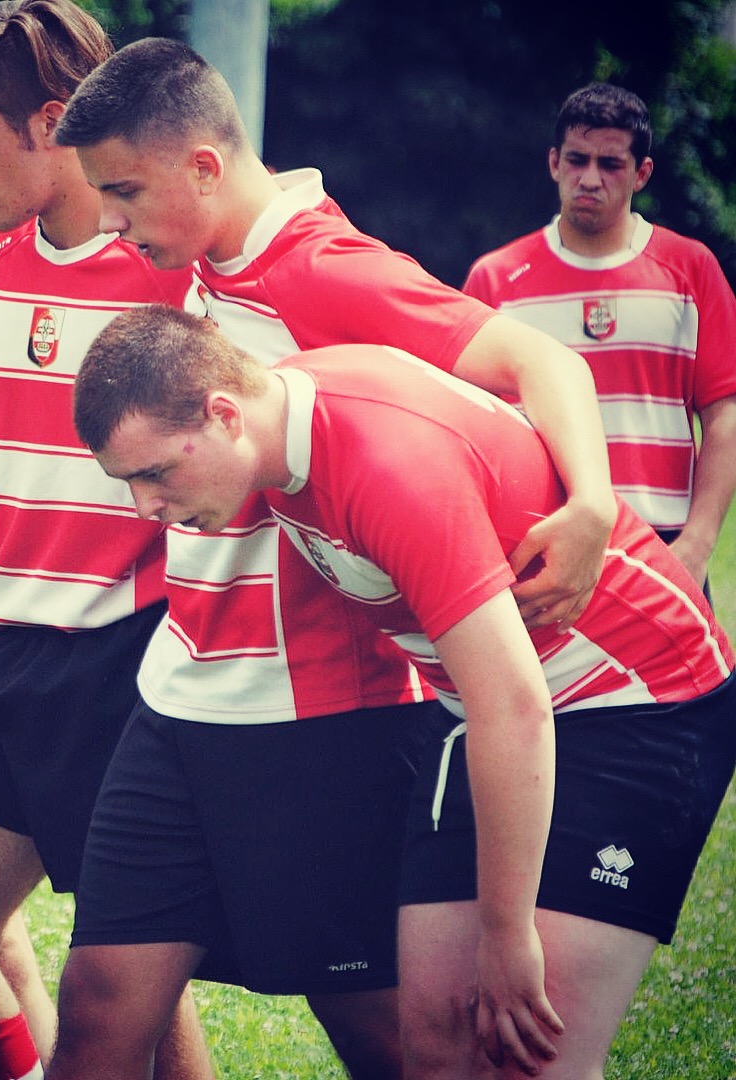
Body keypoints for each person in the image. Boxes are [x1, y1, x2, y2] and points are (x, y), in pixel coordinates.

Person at [43, 37, 619, 1079]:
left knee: (391, 1037)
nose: (114, 227)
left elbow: (536, 356)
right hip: (183, 688)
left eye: (124, 194)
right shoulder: (206, 261)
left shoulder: (323, 267)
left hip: (309, 710)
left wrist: (592, 502)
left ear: (204, 169)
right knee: (95, 1010)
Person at [71, 303, 736, 1080]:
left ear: (223, 414)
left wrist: (507, 930)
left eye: (154, 474)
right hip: (488, 716)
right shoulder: (273, 432)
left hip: (639, 706)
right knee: (435, 1047)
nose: (147, 508)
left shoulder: (385, 464)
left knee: (529, 1062)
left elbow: (513, 704)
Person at [0, 5, 210, 1077]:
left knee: (133, 999)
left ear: (55, 119)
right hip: (6, 649)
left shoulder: (177, 272)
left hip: (125, 657)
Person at [463, 83, 736, 589]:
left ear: (642, 173)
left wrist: (696, 546)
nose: (590, 178)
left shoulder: (691, 269)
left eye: (610, 164)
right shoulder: (496, 278)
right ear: (554, 163)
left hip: (664, 548)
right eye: (577, 160)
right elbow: (468, 428)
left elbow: (725, 416)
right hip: (539, 545)